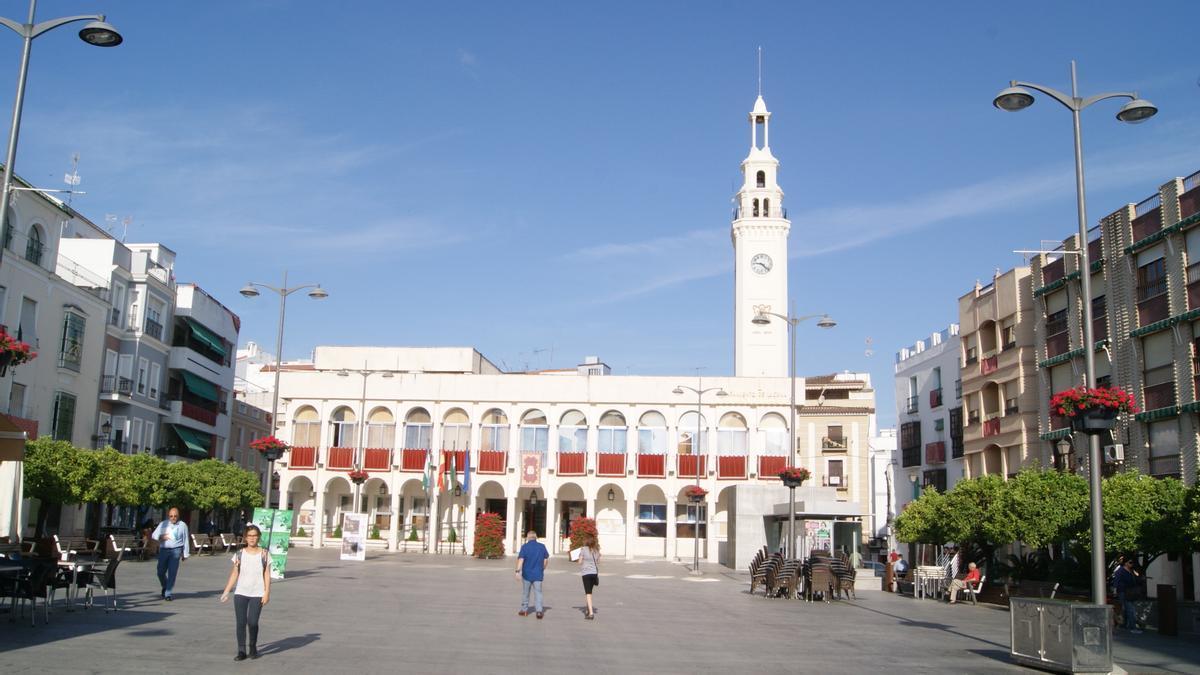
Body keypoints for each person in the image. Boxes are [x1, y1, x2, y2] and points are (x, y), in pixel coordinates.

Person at [221, 524, 272, 661]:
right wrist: (226, 591)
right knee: (241, 622)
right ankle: (241, 650)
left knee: (253, 622)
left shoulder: (264, 554)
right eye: (249, 536)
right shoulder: (239, 554)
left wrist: (267, 592)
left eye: (255, 535)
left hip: (257, 593)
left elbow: (267, 574)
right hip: (241, 592)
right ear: (245, 537)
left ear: (258, 537)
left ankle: (253, 647)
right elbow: (234, 573)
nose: (252, 538)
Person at [152, 507, 190, 600]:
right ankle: (165, 586)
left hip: (176, 550)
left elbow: (185, 540)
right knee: (160, 572)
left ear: (178, 516)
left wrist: (185, 554)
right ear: (168, 516)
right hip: (164, 550)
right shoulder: (163, 524)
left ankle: (168, 593)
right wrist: (161, 537)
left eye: (175, 516)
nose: (173, 518)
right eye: (171, 516)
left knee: (172, 572)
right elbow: (154, 535)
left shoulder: (182, 525)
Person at [515, 530, 549, 619]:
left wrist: (517, 571)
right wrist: (543, 568)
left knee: (526, 592)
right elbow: (546, 559)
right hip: (538, 574)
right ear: (536, 537)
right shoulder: (542, 546)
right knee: (538, 593)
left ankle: (524, 610)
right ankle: (539, 611)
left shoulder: (524, 547)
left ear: (528, 537)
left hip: (527, 574)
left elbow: (521, 559)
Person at [1113, 559, 1142, 633]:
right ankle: (1133, 627)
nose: (1132, 564)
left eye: (1132, 562)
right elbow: (1116, 580)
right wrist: (1115, 590)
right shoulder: (1120, 570)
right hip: (1123, 592)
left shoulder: (1131, 571)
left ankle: (1124, 625)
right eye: (1130, 562)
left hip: (1129, 592)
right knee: (1130, 609)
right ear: (1125, 563)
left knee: (1127, 608)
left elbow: (1134, 580)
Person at [577, 533, 601, 620]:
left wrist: (581, 558)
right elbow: (598, 561)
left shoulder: (583, 549)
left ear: (586, 540)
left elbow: (579, 562)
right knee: (589, 592)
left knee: (588, 593)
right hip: (594, 573)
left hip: (586, 574)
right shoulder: (596, 550)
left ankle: (591, 613)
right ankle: (588, 609)